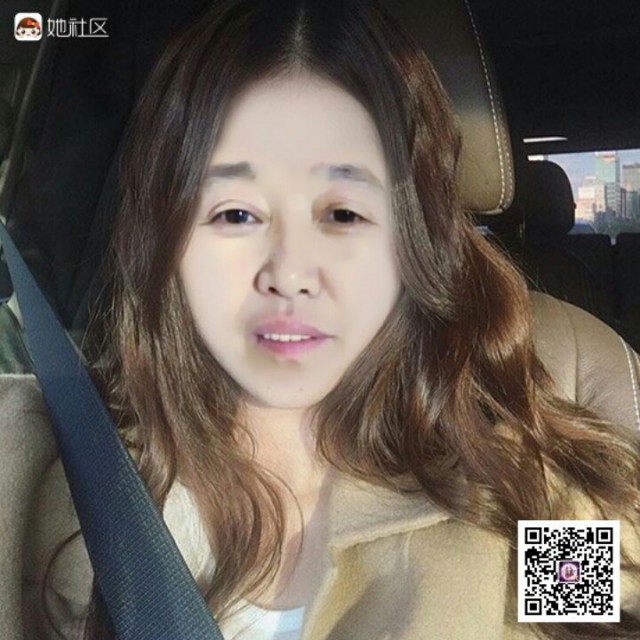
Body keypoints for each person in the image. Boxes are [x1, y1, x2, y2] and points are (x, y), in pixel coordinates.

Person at [21, 0, 640, 638]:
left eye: (343, 214)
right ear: (168, 238)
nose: (290, 271)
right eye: (236, 213)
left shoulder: (528, 491)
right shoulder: (58, 470)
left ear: (410, 244)